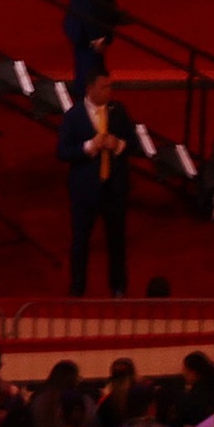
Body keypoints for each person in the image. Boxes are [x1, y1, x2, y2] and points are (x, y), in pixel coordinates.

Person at [62, 79, 135, 296]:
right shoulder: (74, 116)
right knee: (80, 242)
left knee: (117, 241)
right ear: (90, 88)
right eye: (104, 87)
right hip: (85, 192)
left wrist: (119, 145)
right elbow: (63, 151)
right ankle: (77, 289)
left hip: (114, 189)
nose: (108, 91)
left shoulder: (118, 111)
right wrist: (89, 146)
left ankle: (118, 288)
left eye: (110, 87)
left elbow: (134, 142)